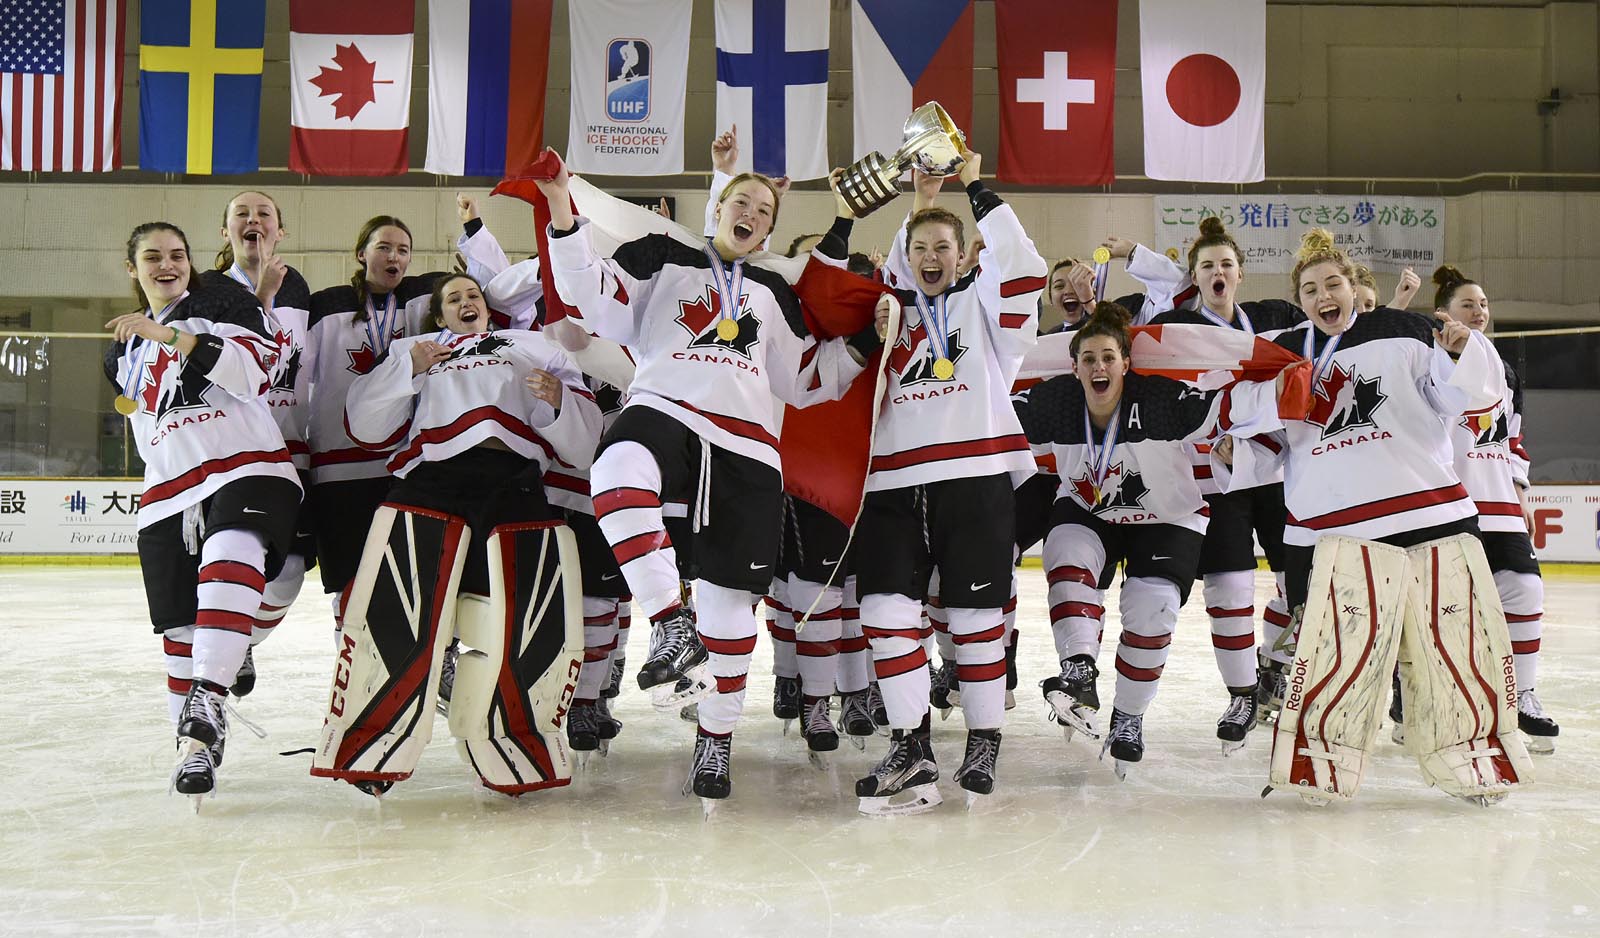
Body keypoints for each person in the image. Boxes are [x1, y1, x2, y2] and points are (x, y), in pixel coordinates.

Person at [538, 148, 885, 811]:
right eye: (740, 203)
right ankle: (669, 621)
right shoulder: (660, 260)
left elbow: (805, 379)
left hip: (748, 449)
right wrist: (560, 203)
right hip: (664, 408)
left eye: (765, 210)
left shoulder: (776, 293)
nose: (751, 214)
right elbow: (590, 291)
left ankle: (716, 737)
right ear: (717, 207)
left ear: (771, 228)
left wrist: (866, 344)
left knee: (729, 615)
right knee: (616, 467)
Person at [330, 273, 602, 794]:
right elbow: (364, 427)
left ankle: (517, 744)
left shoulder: (536, 344)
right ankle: (373, 746)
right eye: (452, 298)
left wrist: (560, 401)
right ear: (439, 315)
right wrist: (407, 369)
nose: (465, 302)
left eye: (473, 294)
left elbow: (585, 444)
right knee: (398, 613)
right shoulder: (416, 349)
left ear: (488, 305)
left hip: (515, 485)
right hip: (430, 482)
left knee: (519, 621)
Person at [851, 150, 1046, 814]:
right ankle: (912, 745)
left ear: (964, 259)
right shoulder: (885, 313)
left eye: (945, 247)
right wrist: (918, 204)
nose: (932, 256)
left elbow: (1021, 266)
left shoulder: (986, 313)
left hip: (975, 478)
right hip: (892, 486)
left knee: (972, 621)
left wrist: (971, 182)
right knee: (883, 611)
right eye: (921, 248)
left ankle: (984, 739)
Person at [104, 222, 300, 805]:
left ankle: (213, 689)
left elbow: (261, 372)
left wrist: (179, 339)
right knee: (182, 631)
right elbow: (145, 425)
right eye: (152, 256)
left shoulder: (218, 311)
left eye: (178, 255)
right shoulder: (123, 350)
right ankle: (193, 751)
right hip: (169, 490)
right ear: (131, 268)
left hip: (246, 465)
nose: (167, 264)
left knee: (234, 552)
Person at [1020, 303, 1228, 776]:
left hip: (1167, 516)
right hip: (1091, 507)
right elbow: (993, 414)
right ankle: (1078, 668)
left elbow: (1223, 407)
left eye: (1108, 357)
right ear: (1073, 367)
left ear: (1126, 363)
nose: (1099, 366)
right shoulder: (1054, 401)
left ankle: (1128, 716)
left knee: (1151, 609)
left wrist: (1232, 438)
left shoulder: (1158, 399)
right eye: (1088, 358)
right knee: (1065, 553)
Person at [1148, 217, 1303, 745]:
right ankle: (1242, 695)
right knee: (1229, 588)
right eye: (1208, 266)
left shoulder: (1273, 327)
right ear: (1196, 276)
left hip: (1276, 472)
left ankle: (1274, 666)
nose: (1219, 272)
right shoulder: (1176, 335)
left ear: (1241, 275)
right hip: (1218, 478)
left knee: (1297, 584)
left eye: (1227, 265)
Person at [1429, 264, 1559, 751]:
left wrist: (1521, 492)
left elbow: (1513, 441)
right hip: (1445, 504)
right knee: (1441, 611)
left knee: (1524, 591)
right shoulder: (1426, 358)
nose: (1479, 312)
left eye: (1483, 304)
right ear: (1444, 314)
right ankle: (1415, 698)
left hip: (1500, 503)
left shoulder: (1504, 371)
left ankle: (1522, 695)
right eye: (1468, 305)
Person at [196, 191, 314, 699]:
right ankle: (221, 654)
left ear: (279, 231)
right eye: (240, 215)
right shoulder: (205, 291)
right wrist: (258, 298)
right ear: (225, 233)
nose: (253, 220)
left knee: (289, 570)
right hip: (230, 454)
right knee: (233, 557)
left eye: (264, 214)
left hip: (289, 452)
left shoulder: (298, 287)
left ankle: (242, 638)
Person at [304, 216, 442, 634]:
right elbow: (290, 374)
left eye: (402, 249)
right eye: (383, 247)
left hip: (406, 466)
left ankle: (421, 661)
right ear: (361, 253)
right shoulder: (327, 305)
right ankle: (352, 659)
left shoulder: (423, 299)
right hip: (337, 466)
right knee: (349, 574)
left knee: (416, 574)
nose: (393, 256)